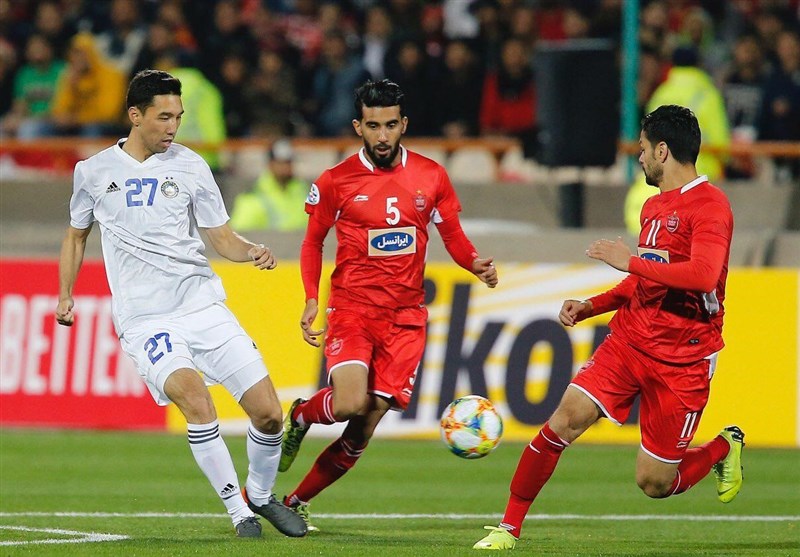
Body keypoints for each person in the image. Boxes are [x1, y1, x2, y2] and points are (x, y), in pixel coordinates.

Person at [473, 105, 743, 551]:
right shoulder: (653, 206)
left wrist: (629, 261)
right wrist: (591, 306)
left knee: (655, 482)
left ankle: (722, 447)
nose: (639, 157)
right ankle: (508, 528)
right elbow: (647, 281)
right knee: (564, 420)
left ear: (663, 151)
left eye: (643, 149)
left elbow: (702, 276)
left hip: (683, 358)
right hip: (630, 342)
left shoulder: (711, 206)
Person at [54, 69, 307, 540]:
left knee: (270, 414)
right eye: (164, 117)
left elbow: (220, 237)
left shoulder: (191, 165)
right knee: (196, 400)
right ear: (136, 115)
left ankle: (260, 493)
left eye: (179, 117)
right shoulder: (93, 172)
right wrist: (66, 294)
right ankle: (239, 512)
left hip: (203, 306)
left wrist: (250, 250)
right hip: (147, 320)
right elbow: (76, 235)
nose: (173, 127)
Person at [279, 79, 499, 530]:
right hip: (353, 310)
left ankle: (296, 500)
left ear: (404, 124)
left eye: (391, 125)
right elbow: (312, 242)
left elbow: (453, 237)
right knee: (348, 402)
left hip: (406, 319)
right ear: (358, 126)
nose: (383, 135)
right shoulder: (336, 181)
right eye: (374, 126)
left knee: (365, 424)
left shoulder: (431, 176)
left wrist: (474, 262)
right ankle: (300, 415)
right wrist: (311, 298)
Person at [624, 46, 730, 235]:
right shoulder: (708, 94)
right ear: (699, 65)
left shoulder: (661, 93)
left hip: (657, 179)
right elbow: (721, 143)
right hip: (697, 172)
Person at [229, 138, 310, 232]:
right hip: (267, 241)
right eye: (280, 163)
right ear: (270, 164)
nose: (285, 167)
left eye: (288, 162)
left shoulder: (303, 192)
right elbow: (239, 233)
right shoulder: (253, 197)